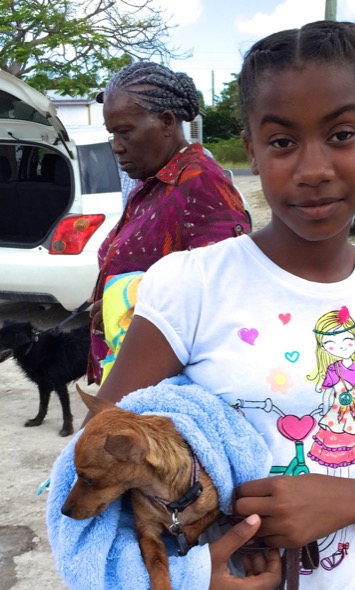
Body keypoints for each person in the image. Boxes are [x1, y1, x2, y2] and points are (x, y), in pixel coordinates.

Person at [94, 20, 355, 590]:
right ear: (251, 150)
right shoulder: (193, 285)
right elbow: (92, 460)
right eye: (282, 142)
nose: (312, 168)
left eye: (340, 134)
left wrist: (345, 500)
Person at [88, 61, 251, 384]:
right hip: (132, 370)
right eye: (112, 135)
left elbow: (227, 297)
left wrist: (126, 301)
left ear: (165, 122)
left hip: (163, 385)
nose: (116, 146)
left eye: (124, 132)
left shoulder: (200, 184)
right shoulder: (153, 183)